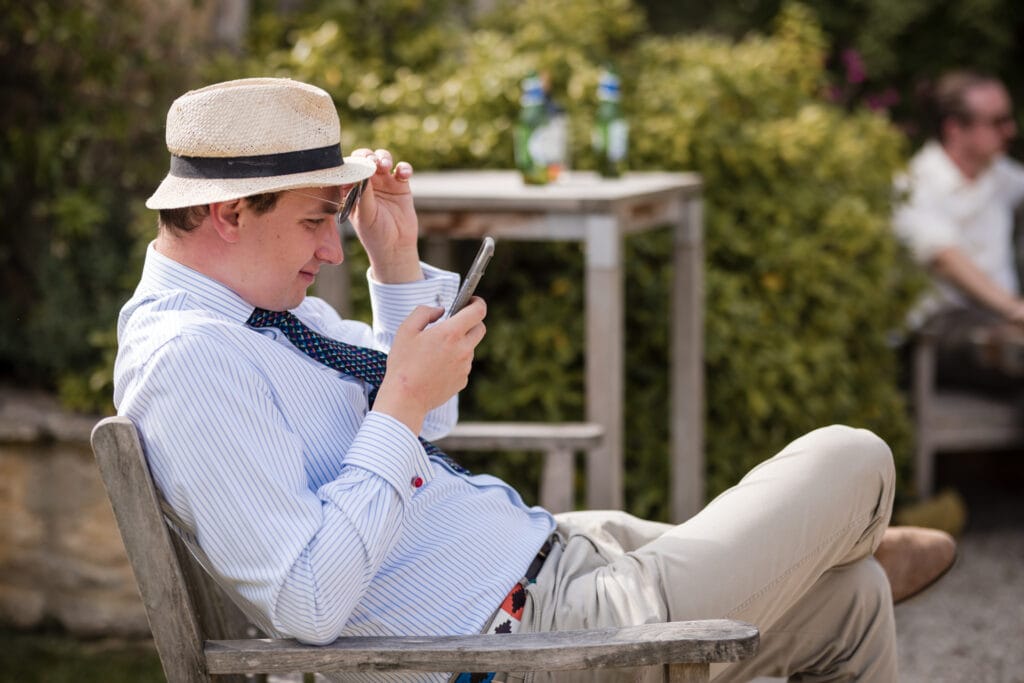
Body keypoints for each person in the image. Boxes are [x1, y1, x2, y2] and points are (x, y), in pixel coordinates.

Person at [115, 77, 956, 682]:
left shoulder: (258, 315)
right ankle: (832, 532)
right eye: (313, 221)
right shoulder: (191, 361)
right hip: (532, 643)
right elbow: (306, 600)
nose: (331, 251)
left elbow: (429, 421)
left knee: (857, 596)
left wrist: (397, 259)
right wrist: (400, 400)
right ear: (228, 214)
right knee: (856, 455)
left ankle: (831, 547)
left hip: (557, 565)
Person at [893, 70, 1024, 391]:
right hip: (938, 333)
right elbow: (946, 260)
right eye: (997, 121)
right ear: (954, 128)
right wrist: (1015, 308)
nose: (1011, 130)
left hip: (1003, 325)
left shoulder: (1001, 177)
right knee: (1009, 346)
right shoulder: (913, 185)